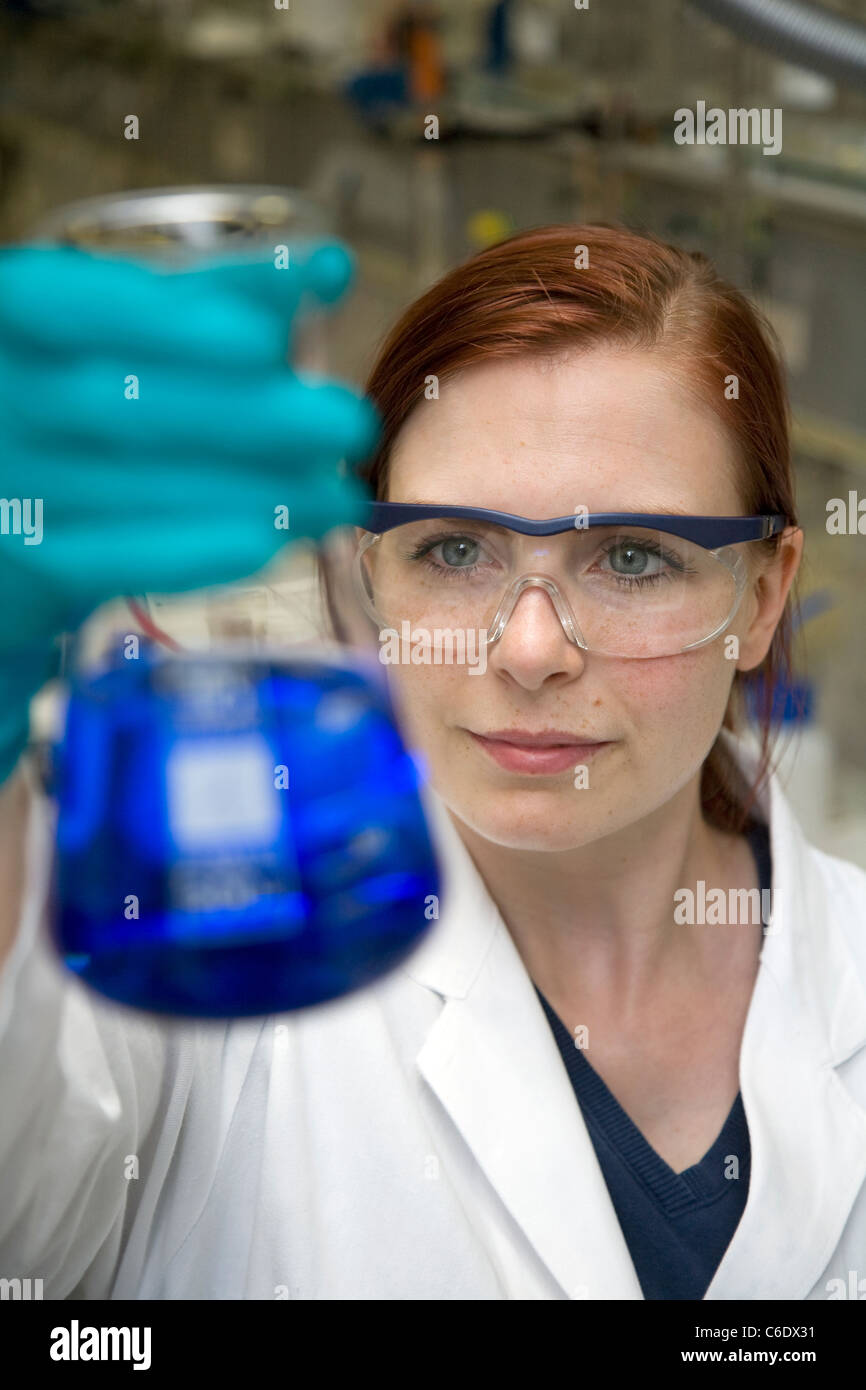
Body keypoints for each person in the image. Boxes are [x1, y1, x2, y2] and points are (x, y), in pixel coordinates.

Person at [2, 222, 865, 1301]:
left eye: (633, 556)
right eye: (452, 551)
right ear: (363, 570)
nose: (530, 650)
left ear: (762, 594)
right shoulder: (214, 948)